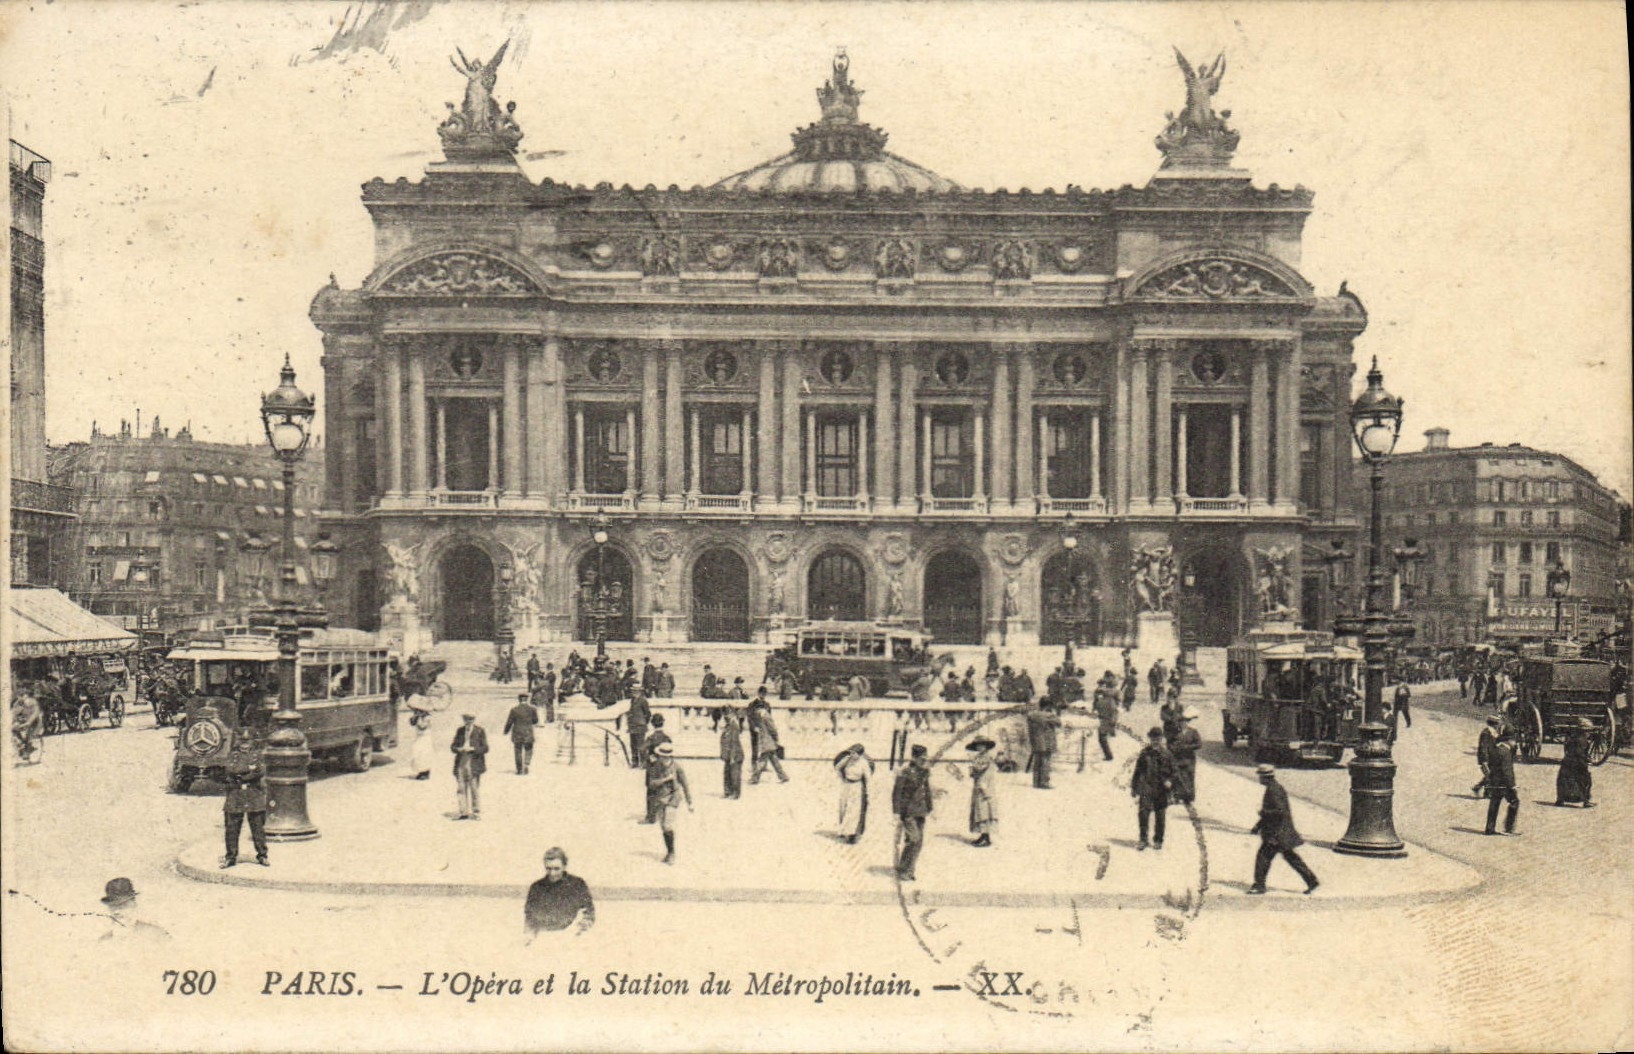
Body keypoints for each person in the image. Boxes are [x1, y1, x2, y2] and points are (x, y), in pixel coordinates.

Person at [1248, 763, 1319, 894]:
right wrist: (1257, 826)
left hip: (1276, 833)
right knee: (1291, 857)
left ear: (1264, 777)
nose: (1259, 779)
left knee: (1263, 858)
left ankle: (1259, 885)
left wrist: (1263, 813)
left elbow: (1278, 811)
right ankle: (1312, 881)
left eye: (1260, 776)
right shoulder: (1274, 787)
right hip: (1281, 832)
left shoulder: (1273, 790)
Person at [524, 847, 594, 941]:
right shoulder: (536, 887)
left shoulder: (577, 884)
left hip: (571, 936)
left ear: (564, 866)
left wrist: (580, 929)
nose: (552, 873)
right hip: (543, 937)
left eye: (557, 869)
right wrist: (529, 937)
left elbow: (589, 913)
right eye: (548, 869)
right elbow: (529, 918)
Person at [221, 749, 269, 868]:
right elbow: (229, 770)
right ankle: (230, 857)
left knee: (258, 827)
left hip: (254, 794)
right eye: (242, 741)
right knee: (232, 828)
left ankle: (262, 855)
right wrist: (249, 770)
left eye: (247, 741)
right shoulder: (232, 754)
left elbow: (260, 771)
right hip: (235, 794)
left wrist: (240, 774)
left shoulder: (257, 754)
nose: (245, 744)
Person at [892, 744, 934, 881]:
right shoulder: (904, 771)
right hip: (908, 811)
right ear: (914, 758)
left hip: (921, 810)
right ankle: (906, 871)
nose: (924, 761)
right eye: (921, 759)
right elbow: (897, 793)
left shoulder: (925, 771)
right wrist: (896, 812)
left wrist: (931, 808)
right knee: (914, 839)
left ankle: (906, 867)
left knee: (918, 841)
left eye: (925, 758)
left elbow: (927, 791)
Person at [647, 743, 693, 864]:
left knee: (667, 825)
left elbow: (685, 784)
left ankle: (672, 853)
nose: (664, 759)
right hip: (661, 798)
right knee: (663, 826)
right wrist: (665, 780)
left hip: (673, 798)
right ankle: (669, 851)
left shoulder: (677, 767)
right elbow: (651, 783)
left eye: (667, 756)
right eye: (662, 756)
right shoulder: (656, 767)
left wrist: (690, 802)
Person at [1131, 727, 1175, 851]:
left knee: (1160, 816)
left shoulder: (1167, 754)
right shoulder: (1144, 753)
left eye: (1158, 739)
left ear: (1161, 739)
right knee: (1143, 814)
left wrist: (1169, 781)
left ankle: (1158, 840)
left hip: (1161, 789)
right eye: (1153, 738)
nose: (1155, 741)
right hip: (1146, 787)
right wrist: (1134, 787)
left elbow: (1175, 772)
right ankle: (1143, 840)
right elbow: (1137, 771)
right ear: (1150, 739)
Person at [99, 877, 170, 942]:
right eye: (112, 906)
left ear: (133, 905)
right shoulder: (104, 941)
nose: (117, 911)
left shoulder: (156, 934)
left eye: (122, 905)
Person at [451, 712, 488, 820]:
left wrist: (473, 749)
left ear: (474, 720)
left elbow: (485, 748)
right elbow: (453, 746)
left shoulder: (480, 731)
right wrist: (458, 749)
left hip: (474, 762)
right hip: (461, 761)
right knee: (461, 788)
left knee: (474, 788)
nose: (468, 722)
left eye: (471, 719)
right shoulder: (460, 731)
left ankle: (476, 812)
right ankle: (463, 812)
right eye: (466, 719)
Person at [1484, 726, 1520, 835]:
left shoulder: (1497, 748)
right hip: (1504, 784)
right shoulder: (1506, 752)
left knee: (1494, 803)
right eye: (1514, 741)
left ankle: (1489, 828)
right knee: (1514, 802)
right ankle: (1509, 828)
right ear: (1510, 740)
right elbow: (1507, 771)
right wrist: (1512, 785)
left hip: (1495, 782)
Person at [835, 742, 874, 843]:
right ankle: (843, 830)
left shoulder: (863, 764)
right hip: (846, 785)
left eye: (854, 753)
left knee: (853, 811)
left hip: (857, 786)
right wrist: (842, 777)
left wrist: (869, 794)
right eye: (851, 753)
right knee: (843, 807)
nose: (852, 755)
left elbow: (868, 779)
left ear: (859, 754)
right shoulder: (848, 760)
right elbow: (837, 768)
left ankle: (852, 834)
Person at [747, 691, 789, 784]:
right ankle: (783, 776)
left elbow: (771, 728)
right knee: (774, 760)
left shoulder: (758, 715)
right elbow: (773, 729)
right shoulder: (765, 715)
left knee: (763, 760)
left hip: (765, 741)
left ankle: (755, 778)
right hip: (768, 741)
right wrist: (776, 739)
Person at [1556, 717, 1596, 807]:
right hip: (1577, 763)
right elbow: (1580, 753)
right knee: (1584, 781)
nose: (1589, 734)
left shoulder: (1573, 738)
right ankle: (1586, 801)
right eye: (1588, 731)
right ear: (1584, 731)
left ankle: (1560, 799)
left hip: (1567, 762)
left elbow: (1567, 749)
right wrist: (1587, 759)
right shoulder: (1582, 741)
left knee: (1563, 781)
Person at [967, 737, 998, 847]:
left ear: (986, 747)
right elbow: (974, 772)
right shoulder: (978, 757)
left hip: (985, 786)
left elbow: (980, 768)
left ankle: (986, 837)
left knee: (984, 810)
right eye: (977, 746)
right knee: (979, 811)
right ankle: (982, 835)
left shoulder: (987, 757)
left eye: (982, 745)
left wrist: (973, 765)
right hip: (979, 786)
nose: (979, 747)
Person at [641, 714, 672, 823]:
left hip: (653, 768)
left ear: (652, 724)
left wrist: (649, 759)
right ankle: (661, 814)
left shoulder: (651, 737)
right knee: (663, 790)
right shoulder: (666, 737)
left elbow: (642, 749)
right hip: (664, 766)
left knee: (651, 791)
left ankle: (651, 817)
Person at [1169, 708, 1203, 806]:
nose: (1182, 724)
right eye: (1180, 722)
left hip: (1189, 758)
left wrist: (1188, 747)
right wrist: (1174, 748)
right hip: (1177, 758)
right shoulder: (1175, 733)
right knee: (1178, 776)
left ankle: (1188, 797)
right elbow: (1170, 744)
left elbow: (1199, 744)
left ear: (1187, 722)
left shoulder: (1193, 732)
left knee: (1189, 776)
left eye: (1184, 722)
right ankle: (1177, 796)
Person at [1026, 698, 1061, 789]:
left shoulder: (1032, 715)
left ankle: (1036, 782)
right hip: (1046, 741)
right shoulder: (1049, 715)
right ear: (1048, 706)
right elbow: (1059, 723)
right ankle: (1044, 782)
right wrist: (1055, 712)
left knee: (1037, 762)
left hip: (1035, 741)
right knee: (1045, 762)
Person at [503, 692, 539, 775]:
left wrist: (506, 731)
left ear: (519, 699)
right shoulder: (532, 709)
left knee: (518, 750)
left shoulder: (514, 709)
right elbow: (535, 721)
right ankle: (526, 764)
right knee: (529, 749)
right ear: (527, 699)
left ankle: (519, 769)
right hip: (528, 732)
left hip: (517, 732)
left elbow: (509, 722)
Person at [719, 703, 745, 799]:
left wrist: (732, 757)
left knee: (735, 775)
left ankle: (735, 793)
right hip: (728, 755)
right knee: (727, 774)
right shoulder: (728, 725)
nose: (725, 716)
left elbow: (734, 742)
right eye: (725, 714)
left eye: (727, 714)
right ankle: (728, 792)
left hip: (735, 755)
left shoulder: (734, 725)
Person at [1472, 715, 1500, 796]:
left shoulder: (1494, 732)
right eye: (1497, 724)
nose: (1498, 726)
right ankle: (1487, 792)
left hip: (1492, 758)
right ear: (1494, 724)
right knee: (1490, 775)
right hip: (1486, 758)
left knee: (1491, 774)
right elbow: (1483, 747)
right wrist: (1484, 760)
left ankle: (1478, 788)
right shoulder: (1486, 733)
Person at [1093, 676, 1120, 762]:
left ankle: (1109, 756)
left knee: (1102, 739)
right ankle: (1108, 755)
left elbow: (1113, 711)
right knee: (1103, 738)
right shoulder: (1109, 700)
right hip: (1106, 720)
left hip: (1105, 720)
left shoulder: (1105, 701)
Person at [626, 687, 651, 771]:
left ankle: (644, 762)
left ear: (639, 692)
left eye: (635, 691)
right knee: (633, 745)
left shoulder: (643, 701)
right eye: (632, 691)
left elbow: (647, 713)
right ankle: (635, 762)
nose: (633, 693)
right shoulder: (633, 700)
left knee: (641, 745)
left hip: (640, 725)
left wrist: (644, 722)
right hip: (633, 725)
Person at [409, 709, 435, 780]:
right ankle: (420, 771)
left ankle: (426, 772)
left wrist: (419, 717)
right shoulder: (417, 717)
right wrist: (415, 717)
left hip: (426, 738)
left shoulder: (428, 718)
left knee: (424, 755)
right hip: (419, 737)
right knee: (417, 754)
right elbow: (412, 723)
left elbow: (422, 727)